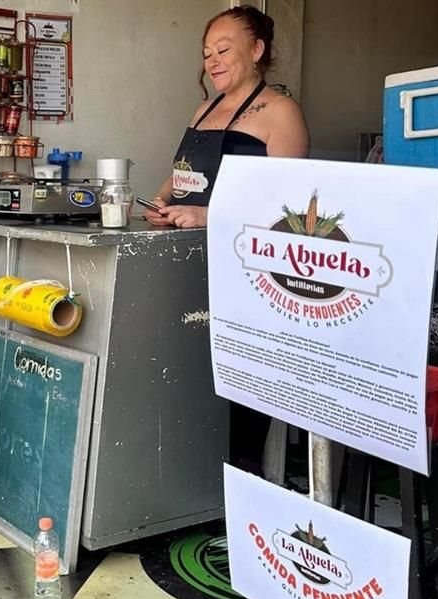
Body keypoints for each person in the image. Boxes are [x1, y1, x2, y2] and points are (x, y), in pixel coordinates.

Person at [144, 5, 310, 475]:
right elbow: (182, 177)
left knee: (244, 380)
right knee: (194, 369)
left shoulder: (281, 113)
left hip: (251, 270)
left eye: (223, 50)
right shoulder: (204, 109)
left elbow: (290, 211)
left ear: (257, 50)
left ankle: (247, 476)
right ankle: (196, 480)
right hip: (192, 261)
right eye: (206, 53)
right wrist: (158, 201)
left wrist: (210, 215)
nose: (212, 61)